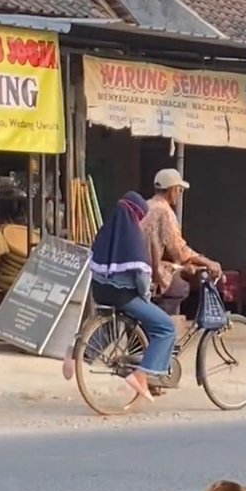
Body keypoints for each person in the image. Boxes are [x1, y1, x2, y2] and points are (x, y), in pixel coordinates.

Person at [88, 190, 176, 402]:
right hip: (124, 298)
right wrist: (146, 295)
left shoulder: (105, 233)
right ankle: (142, 375)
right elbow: (142, 278)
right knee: (166, 328)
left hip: (101, 294)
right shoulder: (133, 239)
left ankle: (81, 354)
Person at [141, 168, 222, 315]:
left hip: (141, 267)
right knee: (181, 287)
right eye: (179, 190)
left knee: (178, 274)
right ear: (171, 190)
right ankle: (159, 329)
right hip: (152, 272)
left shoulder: (147, 205)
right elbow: (178, 249)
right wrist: (207, 262)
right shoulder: (165, 212)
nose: (179, 194)